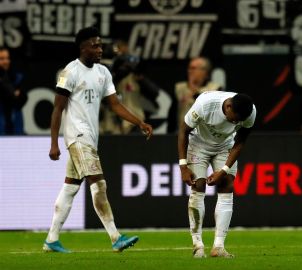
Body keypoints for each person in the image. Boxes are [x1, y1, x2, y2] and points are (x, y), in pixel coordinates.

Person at [44, 27, 153, 253]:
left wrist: (139, 122)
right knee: (99, 183)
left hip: (91, 138)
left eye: (101, 45)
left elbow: (114, 105)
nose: (100, 49)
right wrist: (54, 142)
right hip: (77, 136)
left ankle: (51, 240)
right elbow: (58, 109)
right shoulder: (69, 72)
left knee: (70, 187)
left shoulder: (103, 72)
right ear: (83, 48)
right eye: (95, 45)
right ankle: (115, 237)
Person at [178, 91, 256, 258]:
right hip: (199, 143)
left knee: (227, 184)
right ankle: (197, 245)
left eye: (238, 121)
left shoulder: (250, 112)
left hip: (225, 146)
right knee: (197, 185)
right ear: (228, 106)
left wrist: (224, 170)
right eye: (233, 118)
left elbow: (240, 142)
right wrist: (183, 166)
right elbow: (183, 131)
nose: (235, 122)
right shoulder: (205, 104)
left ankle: (218, 247)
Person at [175, 57, 221, 131]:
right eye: (189, 68)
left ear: (204, 71)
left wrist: (193, 89)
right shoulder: (179, 88)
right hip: (183, 133)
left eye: (193, 68)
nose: (189, 71)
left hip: (205, 134)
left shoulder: (215, 88)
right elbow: (172, 113)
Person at [0, 46, 27, 135]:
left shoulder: (17, 76)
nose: (5, 61)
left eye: (7, 58)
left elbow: (23, 98)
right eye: (2, 59)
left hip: (16, 125)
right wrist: (13, 93)